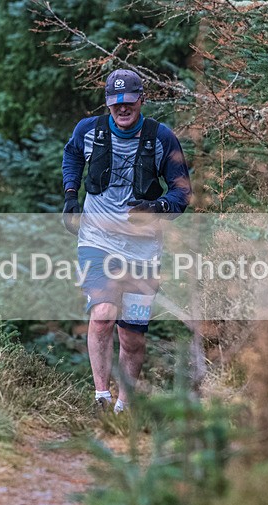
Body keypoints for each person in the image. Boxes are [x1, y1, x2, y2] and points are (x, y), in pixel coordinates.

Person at [61, 69, 191, 414]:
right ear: (108, 103)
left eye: (129, 102)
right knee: (103, 314)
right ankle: (101, 398)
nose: (122, 108)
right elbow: (72, 154)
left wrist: (157, 206)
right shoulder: (89, 130)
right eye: (116, 103)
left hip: (143, 248)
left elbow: (182, 192)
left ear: (141, 100)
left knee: (132, 336)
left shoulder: (161, 138)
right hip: (97, 239)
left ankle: (124, 406)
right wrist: (71, 194)